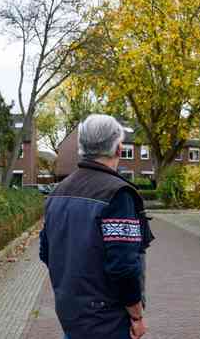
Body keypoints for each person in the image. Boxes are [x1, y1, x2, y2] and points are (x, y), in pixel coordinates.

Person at [39, 114, 155, 339]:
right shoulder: (117, 194)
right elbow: (124, 266)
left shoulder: (58, 192)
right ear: (119, 149)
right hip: (108, 319)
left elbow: (46, 252)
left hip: (70, 313)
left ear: (82, 148)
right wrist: (137, 316)